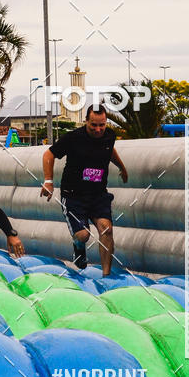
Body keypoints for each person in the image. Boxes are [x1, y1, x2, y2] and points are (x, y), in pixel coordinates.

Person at [40, 105, 128, 275]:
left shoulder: (109, 136)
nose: (98, 129)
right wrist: (48, 181)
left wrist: (122, 167)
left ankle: (106, 275)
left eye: (102, 125)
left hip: (98, 194)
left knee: (106, 229)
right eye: (93, 125)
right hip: (73, 195)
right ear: (86, 121)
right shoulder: (73, 138)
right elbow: (48, 155)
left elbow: (110, 151)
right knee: (83, 235)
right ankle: (79, 248)